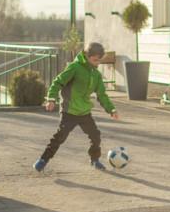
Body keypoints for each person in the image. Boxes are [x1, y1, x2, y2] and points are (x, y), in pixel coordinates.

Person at [34, 41, 119, 172]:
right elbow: (58, 82)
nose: (97, 63)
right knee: (59, 137)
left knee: (95, 136)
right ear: (86, 55)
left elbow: (102, 95)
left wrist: (111, 109)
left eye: (99, 61)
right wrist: (51, 99)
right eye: (95, 60)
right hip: (69, 112)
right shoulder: (75, 68)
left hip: (84, 112)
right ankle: (43, 160)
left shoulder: (96, 75)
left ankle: (94, 159)